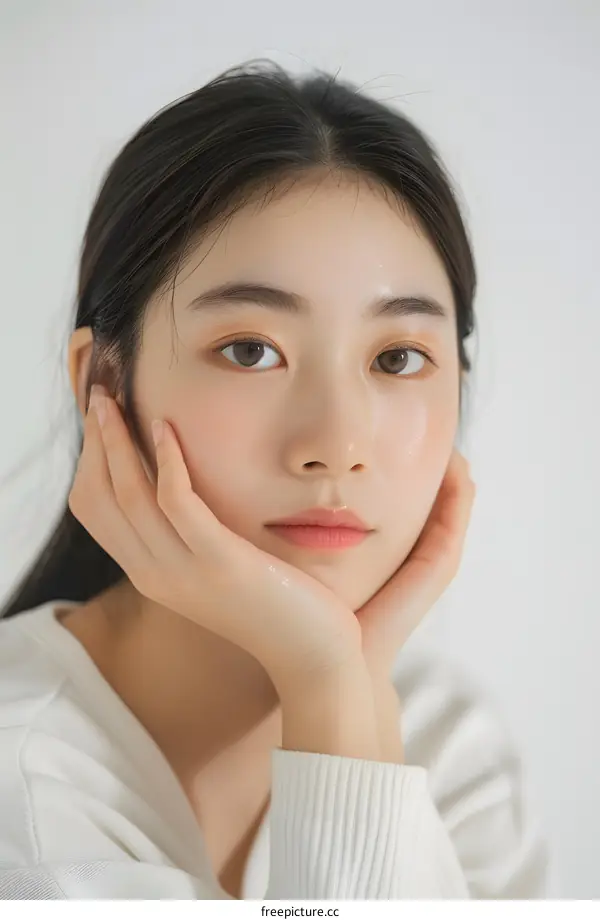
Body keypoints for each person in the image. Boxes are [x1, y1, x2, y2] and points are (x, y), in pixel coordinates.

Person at [0, 61, 549, 900]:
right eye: (250, 350)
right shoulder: (22, 778)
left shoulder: (450, 746)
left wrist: (336, 682)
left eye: (398, 358)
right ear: (104, 385)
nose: (335, 445)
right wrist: (329, 686)